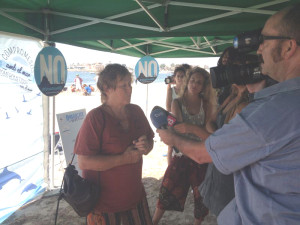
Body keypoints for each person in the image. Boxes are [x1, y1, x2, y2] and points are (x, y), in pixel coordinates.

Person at [157, 4, 300, 225]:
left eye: (265, 41)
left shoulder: (273, 111)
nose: (259, 50)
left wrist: (173, 138)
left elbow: (203, 154)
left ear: (288, 48)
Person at [74, 64, 154, 225]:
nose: (129, 89)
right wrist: (123, 159)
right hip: (104, 207)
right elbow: (83, 162)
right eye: (123, 85)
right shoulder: (95, 118)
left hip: (136, 199)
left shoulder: (136, 111)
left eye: (130, 84)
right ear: (107, 88)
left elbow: (150, 141)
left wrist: (147, 146)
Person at [152, 67, 217, 225]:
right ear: (187, 82)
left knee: (200, 198)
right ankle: (153, 222)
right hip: (182, 155)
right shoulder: (177, 102)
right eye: (192, 80)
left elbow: (210, 137)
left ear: (203, 87)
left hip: (200, 156)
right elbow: (178, 130)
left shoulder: (207, 105)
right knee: (166, 192)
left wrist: (191, 129)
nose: (195, 84)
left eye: (199, 82)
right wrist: (196, 132)